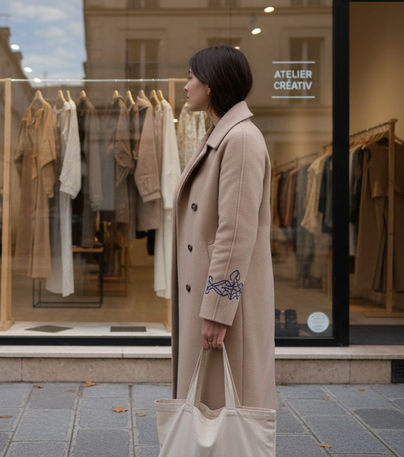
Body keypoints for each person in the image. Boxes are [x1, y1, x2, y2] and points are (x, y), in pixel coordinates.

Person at [170, 46, 277, 412]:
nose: (186, 86)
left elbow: (235, 233)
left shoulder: (241, 140)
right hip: (211, 298)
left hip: (227, 307)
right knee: (210, 411)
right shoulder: (221, 136)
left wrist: (217, 311)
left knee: (228, 413)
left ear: (211, 84)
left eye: (191, 77)